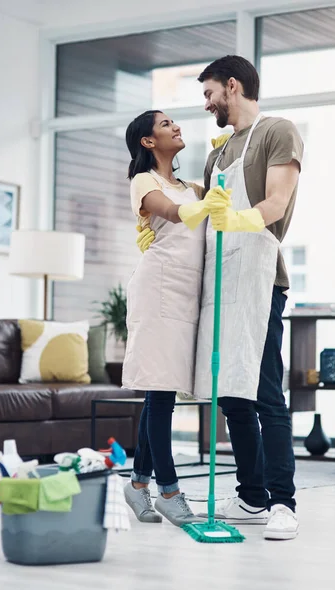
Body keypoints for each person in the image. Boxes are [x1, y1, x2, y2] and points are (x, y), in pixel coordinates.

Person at [137, 56, 304, 541]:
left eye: (210, 93)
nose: (206, 104)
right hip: (220, 279)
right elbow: (200, 213)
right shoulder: (216, 154)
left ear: (232, 86)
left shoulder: (279, 131)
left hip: (260, 278)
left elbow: (276, 201)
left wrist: (239, 219)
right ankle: (251, 495)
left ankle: (282, 503)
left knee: (266, 393)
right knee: (231, 395)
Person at [122, 109, 231, 527]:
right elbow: (171, 213)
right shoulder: (144, 181)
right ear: (148, 142)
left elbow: (217, 203)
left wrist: (225, 168)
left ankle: (136, 487)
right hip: (157, 290)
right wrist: (208, 201)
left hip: (187, 295)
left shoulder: (191, 186)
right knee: (161, 394)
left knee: (160, 393)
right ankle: (168, 491)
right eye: (166, 125)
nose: (176, 127)